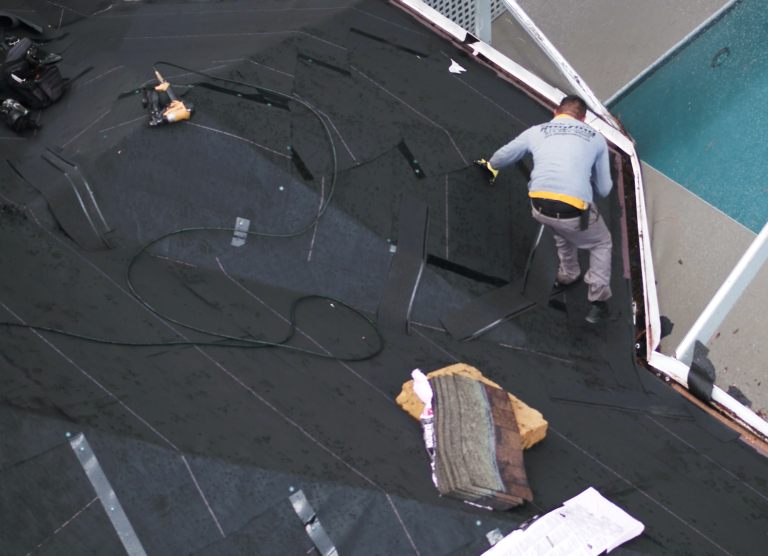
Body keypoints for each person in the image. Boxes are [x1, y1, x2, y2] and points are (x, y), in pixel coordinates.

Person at [476, 95, 613, 323]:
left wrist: (490, 167)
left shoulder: (536, 131)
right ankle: (598, 303)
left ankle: (568, 275)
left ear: (556, 112)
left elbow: (501, 157)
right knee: (601, 243)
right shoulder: (596, 138)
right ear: (583, 119)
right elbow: (605, 189)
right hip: (573, 209)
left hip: (540, 207)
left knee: (561, 233)